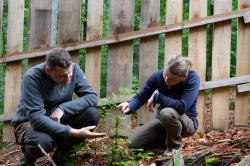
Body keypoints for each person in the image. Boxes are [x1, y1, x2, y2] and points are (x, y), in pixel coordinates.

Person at [11, 47, 105, 166]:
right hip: (28, 123)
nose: (68, 78)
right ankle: (28, 159)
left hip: (60, 118)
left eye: (70, 74)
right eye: (63, 76)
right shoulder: (32, 78)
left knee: (92, 114)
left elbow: (92, 97)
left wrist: (63, 108)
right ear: (48, 70)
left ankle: (60, 157)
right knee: (43, 142)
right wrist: (72, 131)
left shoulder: (74, 69)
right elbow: (37, 119)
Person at [118, 55, 200, 156]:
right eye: (166, 74)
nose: (166, 80)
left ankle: (174, 149)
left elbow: (182, 107)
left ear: (183, 78)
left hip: (187, 122)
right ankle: (164, 146)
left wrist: (158, 97)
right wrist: (130, 105)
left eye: (172, 79)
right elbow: (141, 96)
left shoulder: (192, 79)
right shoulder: (157, 76)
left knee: (166, 112)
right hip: (163, 121)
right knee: (133, 143)